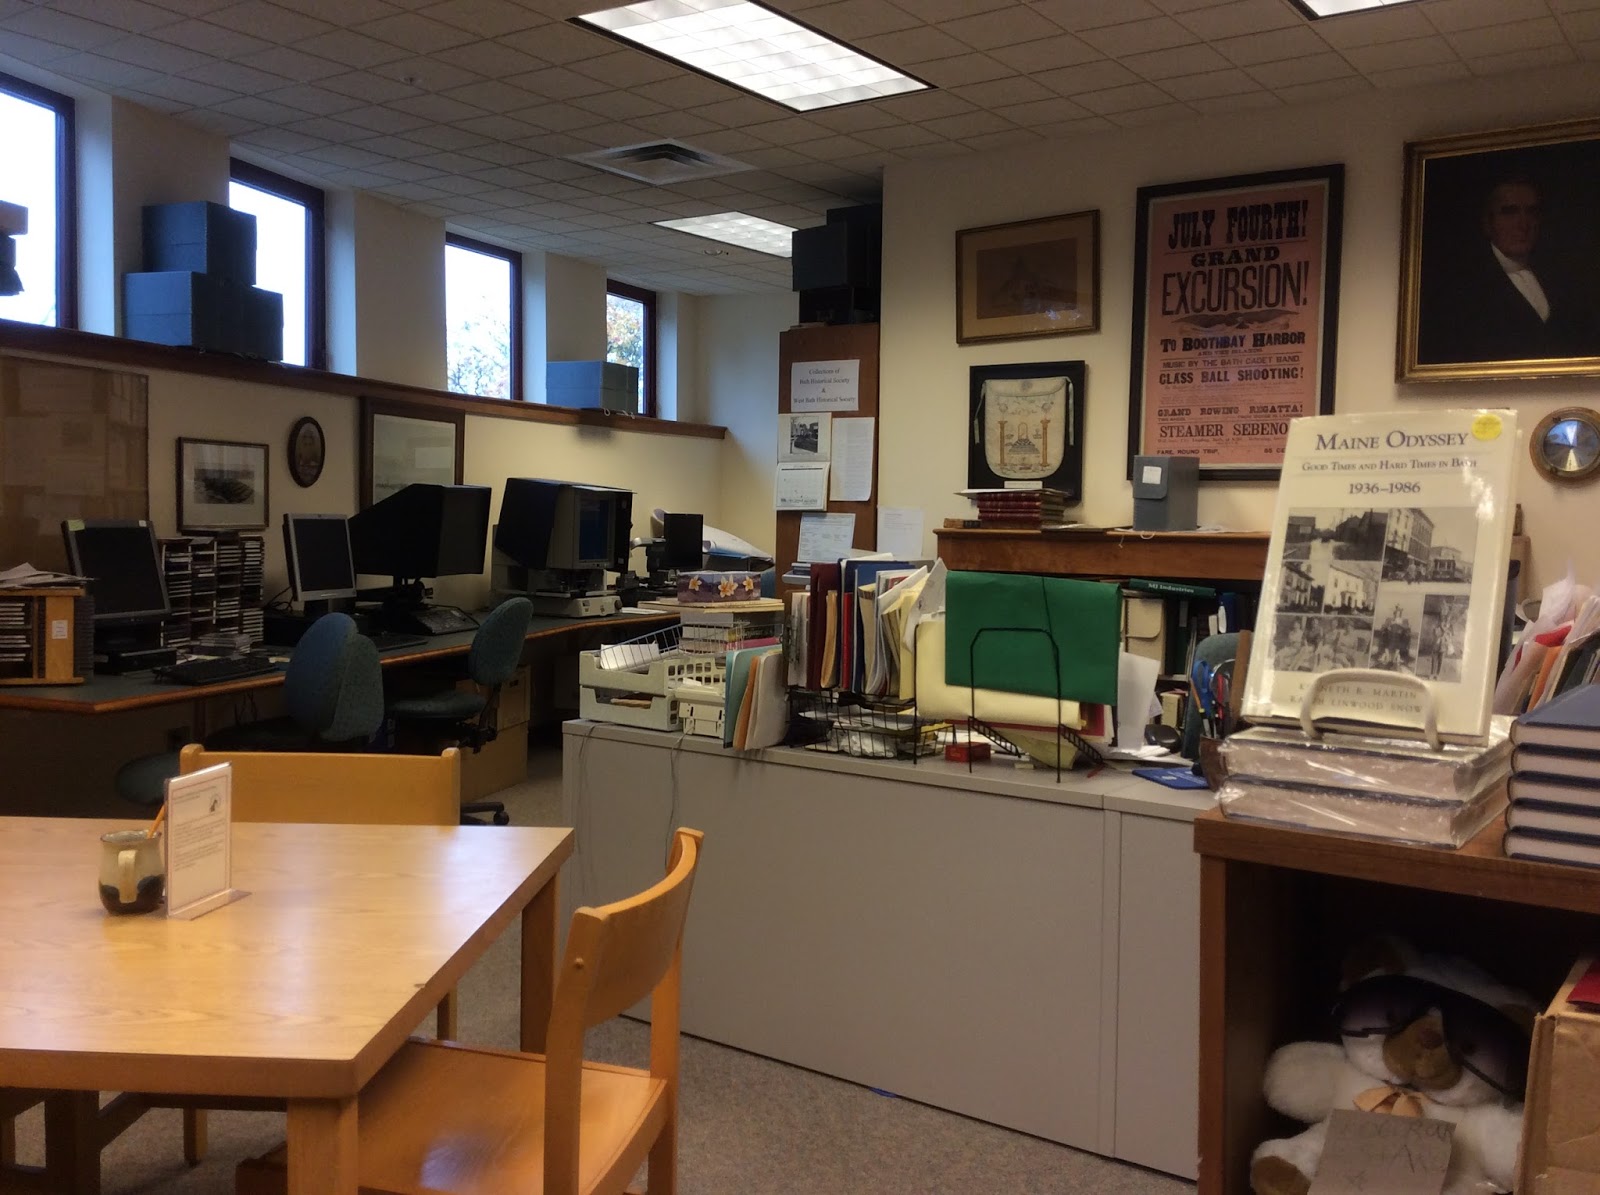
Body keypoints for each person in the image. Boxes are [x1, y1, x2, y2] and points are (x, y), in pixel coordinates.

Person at [1417, 176, 1599, 365]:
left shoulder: (1563, 281)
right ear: (1488, 223)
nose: (1523, 224)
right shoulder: (1461, 290)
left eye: (1531, 212)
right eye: (1510, 212)